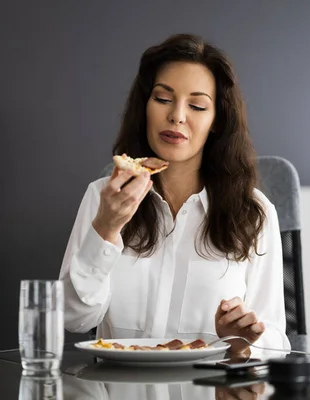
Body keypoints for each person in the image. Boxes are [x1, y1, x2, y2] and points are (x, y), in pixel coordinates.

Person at [59, 33, 290, 356]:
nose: (177, 116)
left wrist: (243, 342)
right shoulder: (102, 197)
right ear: (145, 108)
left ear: (216, 122)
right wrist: (107, 229)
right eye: (163, 99)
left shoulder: (254, 212)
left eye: (197, 105)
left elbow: (276, 342)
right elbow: (74, 319)